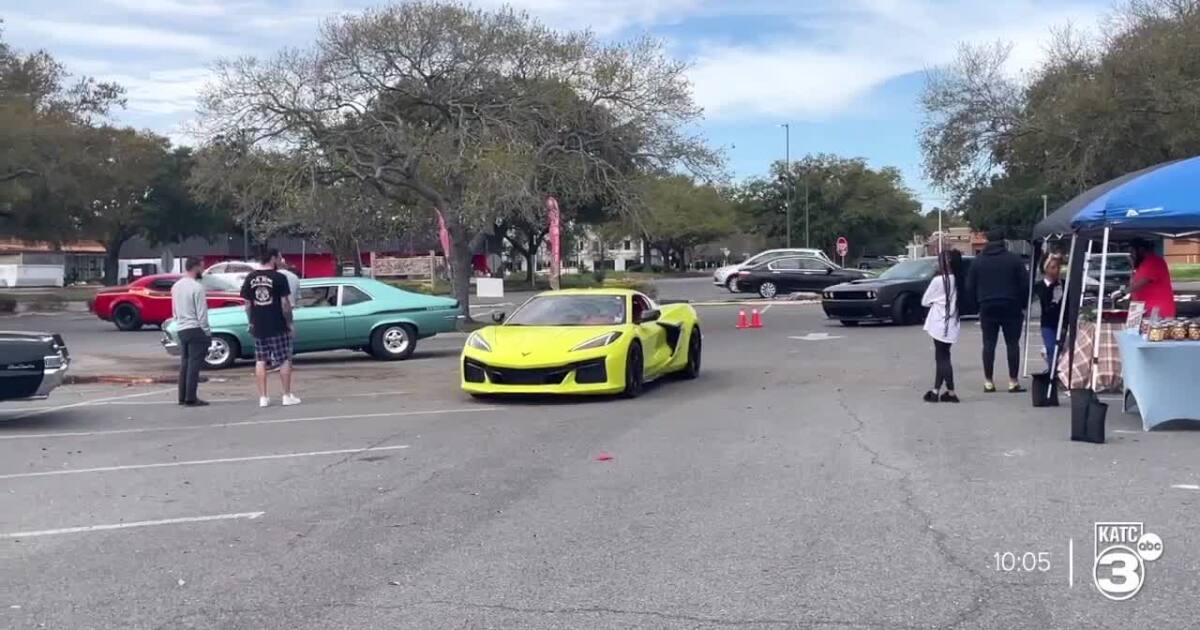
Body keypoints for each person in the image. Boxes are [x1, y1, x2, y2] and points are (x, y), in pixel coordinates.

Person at [967, 229, 1029, 393]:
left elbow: (970, 286)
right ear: (1003, 241)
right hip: (1011, 304)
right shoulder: (1014, 260)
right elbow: (1024, 285)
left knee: (988, 344)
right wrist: (1022, 304)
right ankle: (1013, 381)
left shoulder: (978, 261)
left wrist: (977, 306)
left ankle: (989, 381)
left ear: (987, 240)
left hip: (987, 305)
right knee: (1012, 344)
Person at [241, 248, 300, 407]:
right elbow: (285, 304)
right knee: (283, 360)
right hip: (277, 324)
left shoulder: (250, 277)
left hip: (258, 325)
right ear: (273, 258)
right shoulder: (279, 277)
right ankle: (286, 395)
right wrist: (290, 323)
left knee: (260, 360)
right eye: (280, 258)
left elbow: (247, 304)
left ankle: (263, 397)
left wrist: (251, 321)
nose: (281, 260)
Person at [921, 249, 965, 403]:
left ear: (946, 263)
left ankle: (951, 392)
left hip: (939, 322)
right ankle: (936, 390)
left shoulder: (938, 281)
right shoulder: (959, 279)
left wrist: (936, 301)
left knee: (942, 358)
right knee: (943, 356)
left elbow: (925, 301)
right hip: (953, 322)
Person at [171, 257, 211, 407]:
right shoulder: (197, 287)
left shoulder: (176, 286)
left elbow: (174, 310)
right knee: (194, 364)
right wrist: (206, 331)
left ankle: (182, 396)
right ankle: (191, 397)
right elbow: (202, 313)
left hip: (182, 327)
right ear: (195, 268)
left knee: (185, 363)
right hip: (195, 327)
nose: (202, 270)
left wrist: (179, 321)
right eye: (201, 267)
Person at [1123, 238, 1176, 319]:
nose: (1131, 255)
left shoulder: (1153, 262)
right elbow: (1133, 283)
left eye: (1132, 252)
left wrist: (1123, 292)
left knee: (1154, 331)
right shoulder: (1142, 264)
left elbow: (1141, 283)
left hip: (1157, 309)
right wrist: (1133, 266)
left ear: (1141, 250)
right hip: (1141, 307)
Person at [1032, 255, 1065, 369]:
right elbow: (1043, 303)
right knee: (1051, 348)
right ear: (1046, 269)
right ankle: (1052, 372)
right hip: (1047, 323)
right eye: (1053, 267)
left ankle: (1056, 370)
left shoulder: (1063, 284)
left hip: (1062, 322)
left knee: (1061, 350)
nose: (1057, 270)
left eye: (1058, 267)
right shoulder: (1039, 286)